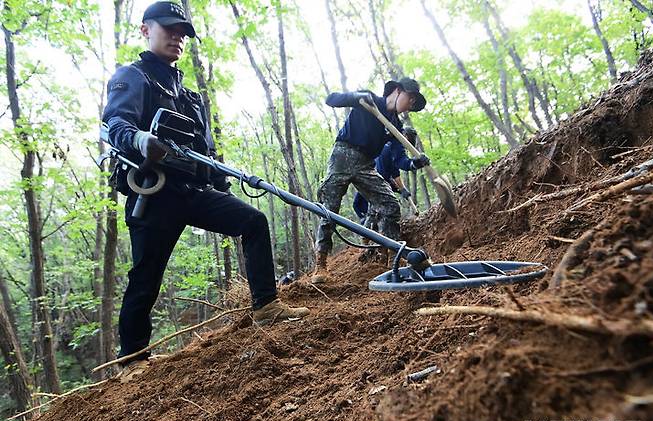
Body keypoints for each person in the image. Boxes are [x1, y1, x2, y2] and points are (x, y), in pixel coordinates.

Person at [102, 1, 309, 378]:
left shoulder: (191, 95)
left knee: (253, 221)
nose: (177, 38)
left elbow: (207, 152)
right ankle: (132, 360)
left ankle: (265, 306)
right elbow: (114, 124)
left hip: (194, 190)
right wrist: (139, 139)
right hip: (153, 193)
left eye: (182, 33)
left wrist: (221, 189)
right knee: (146, 275)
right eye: (169, 29)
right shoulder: (132, 77)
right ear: (146, 31)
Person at [312, 77, 430, 284]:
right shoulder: (369, 100)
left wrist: (415, 163)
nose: (410, 107)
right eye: (410, 100)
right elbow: (331, 99)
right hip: (343, 154)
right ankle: (320, 264)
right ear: (397, 90)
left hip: (367, 165)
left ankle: (394, 256)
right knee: (330, 208)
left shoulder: (395, 125)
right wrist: (356, 97)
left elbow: (400, 159)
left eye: (413, 104)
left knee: (390, 205)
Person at [352, 127, 428, 229]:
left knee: (361, 206)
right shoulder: (394, 145)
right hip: (376, 181)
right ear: (405, 136)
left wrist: (402, 189)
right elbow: (400, 167)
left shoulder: (388, 143)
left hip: (371, 179)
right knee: (376, 209)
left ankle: (370, 232)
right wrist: (414, 164)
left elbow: (393, 171)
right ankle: (371, 233)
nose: (405, 148)